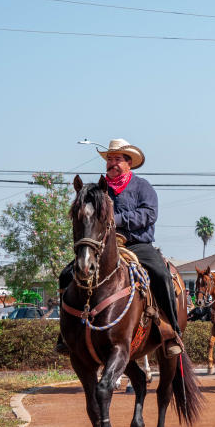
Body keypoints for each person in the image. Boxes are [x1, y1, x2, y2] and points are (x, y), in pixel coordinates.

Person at [57, 138, 180, 353]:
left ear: (128, 163)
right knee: (67, 275)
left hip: (137, 245)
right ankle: (65, 335)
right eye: (109, 159)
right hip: (103, 248)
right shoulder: (97, 190)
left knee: (161, 275)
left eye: (117, 159)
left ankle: (171, 332)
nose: (112, 163)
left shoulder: (142, 187)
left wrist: (117, 219)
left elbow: (149, 214)